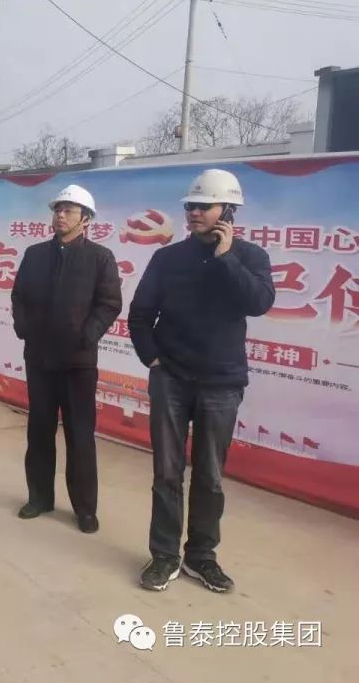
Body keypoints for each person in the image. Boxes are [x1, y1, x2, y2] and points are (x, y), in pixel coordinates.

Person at [129, 169, 274, 593]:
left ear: (228, 211)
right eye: (191, 206)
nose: (194, 213)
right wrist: (153, 359)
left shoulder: (250, 257)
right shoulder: (168, 258)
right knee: (166, 473)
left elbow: (259, 302)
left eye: (204, 206)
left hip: (221, 383)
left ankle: (201, 556)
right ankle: (164, 556)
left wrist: (226, 258)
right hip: (171, 379)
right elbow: (140, 314)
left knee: (209, 476)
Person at [11, 185, 122, 534]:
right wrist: (25, 329)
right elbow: (19, 296)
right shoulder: (35, 255)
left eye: (68, 211)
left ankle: (85, 509)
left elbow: (109, 304)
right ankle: (39, 497)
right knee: (39, 431)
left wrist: (86, 335)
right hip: (40, 359)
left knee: (80, 435)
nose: (60, 215)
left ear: (85, 220)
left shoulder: (100, 258)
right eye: (57, 210)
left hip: (78, 364)